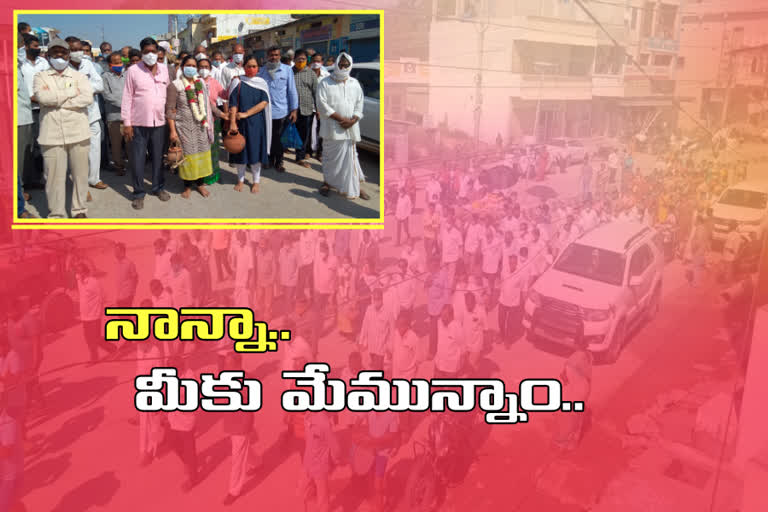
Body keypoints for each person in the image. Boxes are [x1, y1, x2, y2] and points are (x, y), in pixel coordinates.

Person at [34, 38, 93, 218]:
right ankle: (57, 213)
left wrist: (57, 101)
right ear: (48, 55)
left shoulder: (79, 76)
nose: (59, 56)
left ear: (68, 55)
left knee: (80, 176)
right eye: (55, 52)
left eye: (63, 52)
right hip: (51, 135)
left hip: (78, 133)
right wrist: (70, 94)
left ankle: (79, 210)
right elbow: (42, 98)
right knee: (53, 178)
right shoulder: (40, 76)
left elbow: (87, 98)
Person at [122, 37, 171, 210]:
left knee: (158, 157)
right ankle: (138, 193)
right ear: (141, 53)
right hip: (138, 122)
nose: (150, 55)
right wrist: (127, 123)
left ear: (158, 52)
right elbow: (127, 97)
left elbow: (170, 93)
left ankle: (158, 187)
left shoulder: (165, 70)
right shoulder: (133, 71)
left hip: (159, 122)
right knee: (138, 159)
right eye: (146, 52)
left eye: (153, 51)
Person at [316, 52, 370, 200]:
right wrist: (341, 119)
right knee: (329, 157)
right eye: (341, 64)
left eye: (346, 65)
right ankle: (327, 183)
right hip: (331, 128)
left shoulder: (355, 83)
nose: (343, 67)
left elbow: (360, 104)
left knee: (351, 158)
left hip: (350, 128)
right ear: (336, 65)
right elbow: (322, 104)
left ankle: (354, 186)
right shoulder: (325, 82)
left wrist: (353, 120)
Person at [166, 56, 214, 198]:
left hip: (201, 127)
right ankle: (187, 186)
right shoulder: (175, 85)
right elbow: (170, 110)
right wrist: (173, 131)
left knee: (202, 154)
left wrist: (222, 114)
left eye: (194, 65)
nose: (191, 67)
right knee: (188, 157)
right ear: (182, 67)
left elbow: (207, 105)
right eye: (188, 65)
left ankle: (199, 184)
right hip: (184, 128)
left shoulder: (201, 83)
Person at [68, 39, 107, 192]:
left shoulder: (88, 64)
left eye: (80, 49)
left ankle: (94, 179)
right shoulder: (63, 67)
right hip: (73, 115)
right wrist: (85, 88)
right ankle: (80, 184)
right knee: (76, 151)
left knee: (94, 149)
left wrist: (81, 87)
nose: (78, 52)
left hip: (92, 113)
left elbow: (100, 85)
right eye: (73, 49)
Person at [228, 55, 271, 193]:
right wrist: (233, 122)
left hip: (257, 124)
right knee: (241, 152)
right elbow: (233, 104)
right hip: (241, 124)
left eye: (254, 66)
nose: (251, 69)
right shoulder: (238, 82)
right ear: (243, 66)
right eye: (248, 66)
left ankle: (256, 181)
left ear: (258, 68)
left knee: (255, 153)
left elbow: (264, 102)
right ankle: (240, 179)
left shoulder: (262, 83)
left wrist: (247, 113)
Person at [259, 46, 298, 173]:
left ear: (280, 56)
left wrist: (294, 110)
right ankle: (269, 160)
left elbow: (292, 90)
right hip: (266, 111)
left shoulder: (286, 70)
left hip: (282, 111)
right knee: (268, 137)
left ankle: (279, 161)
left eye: (276, 55)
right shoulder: (262, 71)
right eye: (271, 55)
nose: (274, 57)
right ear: (267, 56)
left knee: (280, 138)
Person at [20, 33, 49, 188]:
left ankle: (37, 178)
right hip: (26, 109)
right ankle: (26, 179)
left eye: (38, 46)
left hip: (41, 108)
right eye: (35, 46)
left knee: (39, 144)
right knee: (27, 146)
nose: (37, 49)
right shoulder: (21, 64)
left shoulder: (43, 62)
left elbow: (48, 81)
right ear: (26, 47)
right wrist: (29, 97)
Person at [555, 336, 592, 451]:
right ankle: (571, 443)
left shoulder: (574, 358)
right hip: (584, 390)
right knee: (576, 417)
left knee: (567, 417)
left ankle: (562, 442)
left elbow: (563, 375)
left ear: (577, 345)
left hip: (575, 392)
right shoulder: (588, 356)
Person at [75, 264, 116, 362]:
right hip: (84, 316)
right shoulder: (79, 280)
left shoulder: (94, 282)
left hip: (94, 315)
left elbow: (103, 296)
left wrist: (100, 308)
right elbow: (74, 270)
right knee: (88, 339)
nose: (79, 275)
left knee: (96, 338)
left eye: (81, 273)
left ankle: (112, 349)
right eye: (78, 273)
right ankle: (94, 357)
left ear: (86, 273)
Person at [197, 56, 227, 182]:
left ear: (210, 69)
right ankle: (199, 177)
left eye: (206, 67)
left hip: (213, 120)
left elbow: (224, 94)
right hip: (197, 121)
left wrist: (234, 84)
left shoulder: (214, 82)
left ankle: (213, 175)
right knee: (200, 150)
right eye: (201, 67)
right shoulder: (194, 82)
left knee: (213, 149)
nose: (204, 69)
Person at [16, 34, 35, 218]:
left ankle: (19, 195)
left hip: (23, 118)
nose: (23, 49)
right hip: (15, 121)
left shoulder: (17, 66)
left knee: (20, 162)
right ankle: (17, 207)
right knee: (14, 165)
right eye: (20, 45)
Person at [102, 52, 127, 175]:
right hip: (114, 116)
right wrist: (124, 104)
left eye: (120, 61)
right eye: (116, 62)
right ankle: (119, 165)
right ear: (110, 64)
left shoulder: (127, 75)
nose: (119, 64)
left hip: (129, 117)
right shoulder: (105, 76)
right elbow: (107, 95)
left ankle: (133, 165)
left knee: (130, 143)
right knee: (116, 144)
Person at [293, 49, 318, 167]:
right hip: (291, 109)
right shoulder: (289, 72)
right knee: (290, 132)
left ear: (306, 60)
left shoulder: (311, 73)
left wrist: (318, 109)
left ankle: (300, 157)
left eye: (303, 59)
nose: (301, 61)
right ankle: (280, 154)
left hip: (307, 109)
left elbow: (316, 93)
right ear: (294, 59)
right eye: (299, 59)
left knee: (304, 134)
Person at [359, 288, 394, 370]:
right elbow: (365, 326)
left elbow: (392, 332)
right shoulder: (369, 309)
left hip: (381, 347)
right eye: (374, 298)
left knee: (377, 368)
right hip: (371, 346)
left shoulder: (388, 312)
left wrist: (390, 348)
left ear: (382, 298)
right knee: (374, 367)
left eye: (378, 298)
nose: (376, 301)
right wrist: (361, 341)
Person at [435, 304, 462, 378]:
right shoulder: (439, 322)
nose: (443, 318)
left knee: (449, 387)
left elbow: (462, 346)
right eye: (442, 315)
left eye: (445, 316)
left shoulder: (457, 327)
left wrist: (460, 364)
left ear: (451, 316)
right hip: (439, 362)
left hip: (451, 365)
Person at [114, 242, 138, 307]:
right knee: (120, 316)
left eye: (117, 251)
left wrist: (132, 293)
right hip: (119, 296)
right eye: (115, 251)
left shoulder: (129, 263)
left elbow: (135, 278)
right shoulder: (116, 264)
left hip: (127, 296)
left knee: (126, 316)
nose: (115, 253)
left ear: (122, 251)